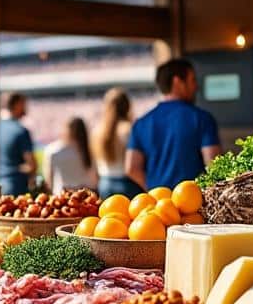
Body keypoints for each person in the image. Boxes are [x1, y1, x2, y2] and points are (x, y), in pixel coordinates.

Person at [126, 58, 222, 191]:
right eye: (192, 80)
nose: (196, 87)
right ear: (177, 82)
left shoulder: (141, 123)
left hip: (158, 205)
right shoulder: (202, 119)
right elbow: (214, 165)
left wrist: (154, 190)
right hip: (193, 204)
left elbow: (131, 168)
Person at [92, 88, 140, 199]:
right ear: (127, 106)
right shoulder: (131, 129)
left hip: (105, 184)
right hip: (128, 185)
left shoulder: (98, 131)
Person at [42, 117, 97, 193]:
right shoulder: (91, 150)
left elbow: (48, 180)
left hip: (62, 195)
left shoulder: (53, 150)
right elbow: (95, 180)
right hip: (86, 195)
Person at [0, 92, 35, 195]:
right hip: (16, 187)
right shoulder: (21, 131)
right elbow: (31, 165)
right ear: (17, 104)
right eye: (23, 104)